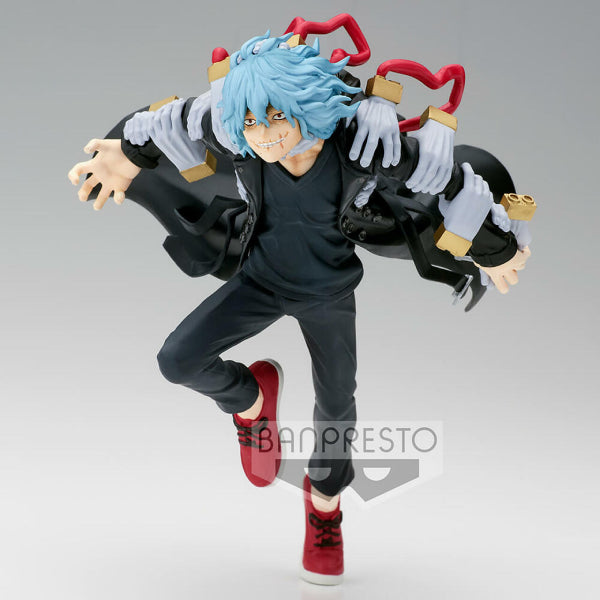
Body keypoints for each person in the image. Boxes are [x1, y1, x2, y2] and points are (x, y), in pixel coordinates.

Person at [68, 30, 531, 585]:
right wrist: (125, 155)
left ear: (307, 109)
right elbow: (165, 121)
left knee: (336, 404)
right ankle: (250, 401)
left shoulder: (362, 147)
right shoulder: (233, 131)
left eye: (274, 118)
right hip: (260, 279)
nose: (262, 135)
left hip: (328, 292)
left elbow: (448, 180)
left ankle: (324, 507)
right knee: (177, 360)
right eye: (250, 121)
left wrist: (497, 249)